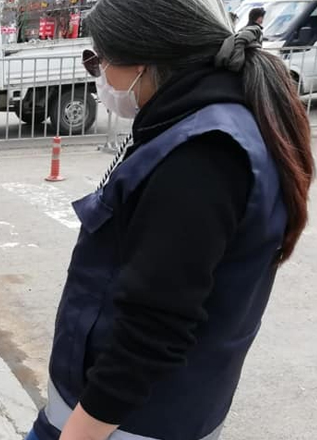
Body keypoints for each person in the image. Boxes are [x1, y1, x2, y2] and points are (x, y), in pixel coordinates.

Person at [27, 1, 314, 440]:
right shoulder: (196, 123)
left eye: (99, 61)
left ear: (143, 59)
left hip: (121, 426)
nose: (99, 76)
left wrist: (79, 434)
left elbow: (154, 326)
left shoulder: (202, 156)